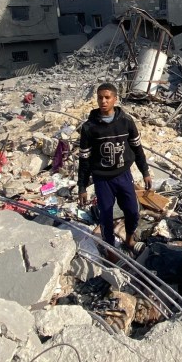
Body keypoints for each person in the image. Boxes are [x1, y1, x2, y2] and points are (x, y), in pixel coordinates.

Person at [77, 83, 152, 256]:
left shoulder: (126, 122)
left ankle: (129, 238)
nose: (103, 101)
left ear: (115, 99)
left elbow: (137, 148)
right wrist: (82, 187)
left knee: (133, 210)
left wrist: (145, 172)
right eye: (100, 97)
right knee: (106, 214)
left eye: (107, 97)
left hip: (123, 175)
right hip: (102, 179)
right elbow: (84, 159)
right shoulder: (89, 127)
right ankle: (110, 249)